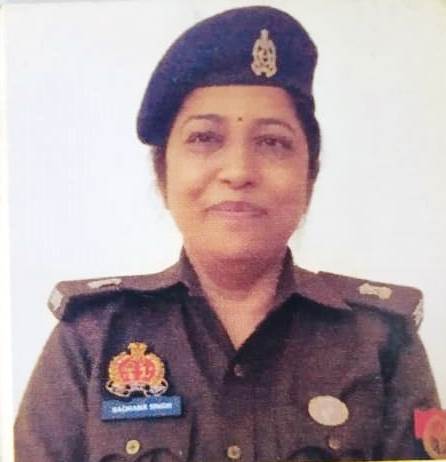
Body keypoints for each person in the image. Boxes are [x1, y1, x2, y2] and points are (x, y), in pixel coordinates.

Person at [15, 5, 439, 461]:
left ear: (309, 176)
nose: (238, 171)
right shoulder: (91, 339)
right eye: (204, 138)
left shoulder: (382, 341)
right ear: (163, 174)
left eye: (272, 142)